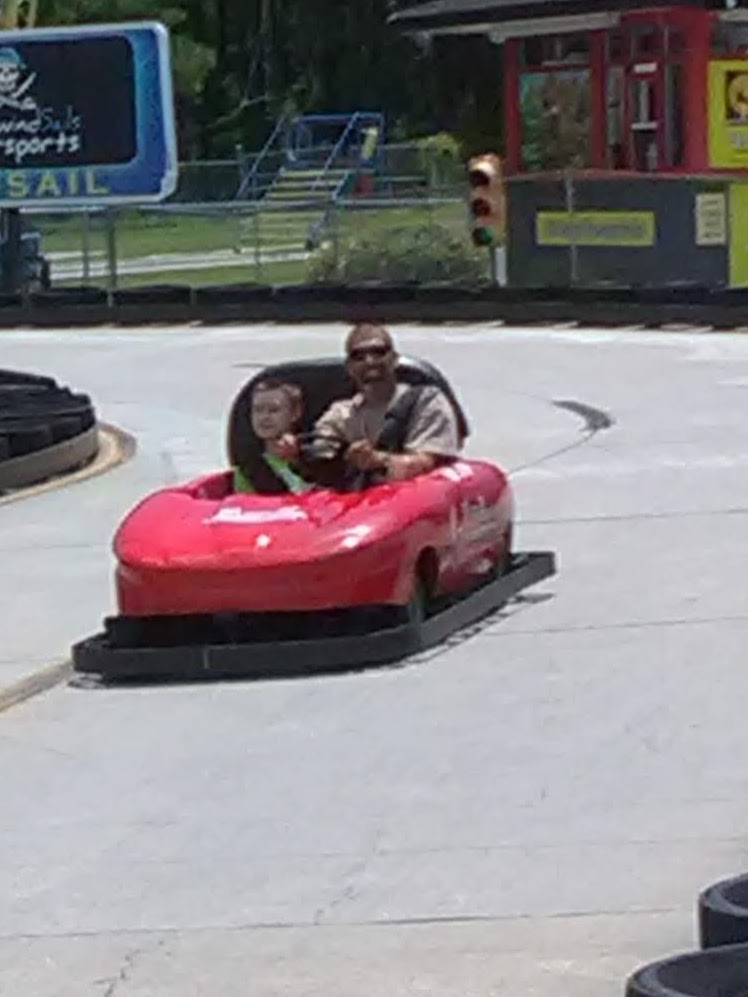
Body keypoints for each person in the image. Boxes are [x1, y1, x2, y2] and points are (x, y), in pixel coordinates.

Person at [282, 323, 462, 483]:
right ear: (349, 367)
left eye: (378, 352)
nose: (370, 362)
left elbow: (428, 464)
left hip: (418, 501)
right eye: (358, 356)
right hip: (365, 506)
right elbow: (320, 455)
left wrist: (378, 460)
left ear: (394, 359)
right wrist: (294, 454)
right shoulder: (341, 414)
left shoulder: (425, 401)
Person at [233, 379, 312, 495]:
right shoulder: (248, 470)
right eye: (258, 410)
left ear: (295, 413)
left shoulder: (314, 460)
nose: (264, 417)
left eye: (274, 410)